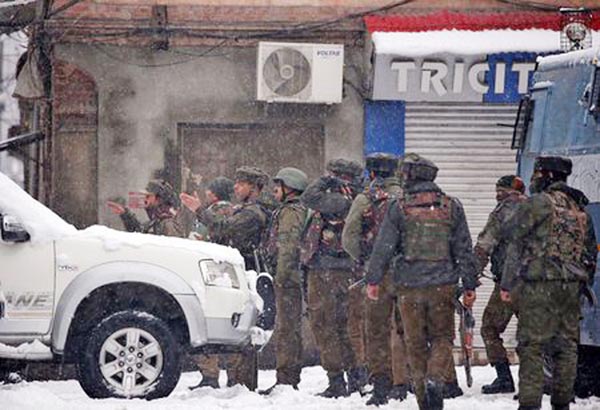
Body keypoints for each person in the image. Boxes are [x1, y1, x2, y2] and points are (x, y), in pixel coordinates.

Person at [366, 153, 478, 410]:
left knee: (413, 342)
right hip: (443, 286)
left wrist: (373, 279)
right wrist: (469, 285)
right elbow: (464, 249)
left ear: (410, 176)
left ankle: (423, 400)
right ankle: (435, 379)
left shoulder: (398, 206)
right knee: (442, 338)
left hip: (408, 287)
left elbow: (383, 247)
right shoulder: (451, 206)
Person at [500, 156, 597, 410]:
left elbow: (512, 234)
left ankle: (530, 404)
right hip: (571, 288)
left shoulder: (540, 204)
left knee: (532, 345)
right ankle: (562, 403)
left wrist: (507, 284)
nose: (534, 179)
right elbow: (590, 255)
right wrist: (581, 283)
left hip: (540, 285)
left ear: (547, 176)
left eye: (537, 173)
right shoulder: (579, 210)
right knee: (566, 346)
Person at [341, 152, 410, 405]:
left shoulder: (366, 198)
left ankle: (381, 383)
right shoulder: (408, 197)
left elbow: (348, 237)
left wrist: (365, 258)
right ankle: (404, 381)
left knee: (377, 328)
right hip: (408, 271)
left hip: (377, 273)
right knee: (404, 328)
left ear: (371, 174)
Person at [301, 158, 365, 398]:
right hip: (343, 270)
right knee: (345, 325)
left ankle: (341, 379)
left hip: (330, 271)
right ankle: (353, 377)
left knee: (327, 324)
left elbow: (308, 197)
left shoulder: (342, 198)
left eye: (333, 174)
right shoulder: (357, 198)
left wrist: (326, 180)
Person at [473, 175, 527, 395]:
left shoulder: (502, 212)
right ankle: (538, 379)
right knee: (533, 333)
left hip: (508, 284)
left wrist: (471, 276)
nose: (496, 196)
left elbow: (484, 245)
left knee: (489, 327)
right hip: (537, 283)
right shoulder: (538, 209)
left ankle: (504, 377)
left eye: (499, 191)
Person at [180, 176, 235, 390]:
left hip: (209, 275)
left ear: (214, 193)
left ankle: (210, 375)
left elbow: (196, 239)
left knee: (204, 326)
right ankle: (234, 376)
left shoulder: (211, 212)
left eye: (209, 190)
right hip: (223, 276)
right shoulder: (232, 210)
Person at [259, 167, 309, 394]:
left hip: (288, 280)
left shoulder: (291, 213)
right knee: (287, 327)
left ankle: (287, 379)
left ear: (288, 188)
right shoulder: (288, 210)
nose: (274, 191)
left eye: (277, 187)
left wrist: (281, 277)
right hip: (287, 277)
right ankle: (286, 376)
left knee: (287, 329)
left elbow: (288, 247)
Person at [107, 179, 183, 237]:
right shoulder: (157, 221)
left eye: (148, 196)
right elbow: (139, 233)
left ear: (159, 199)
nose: (145, 199)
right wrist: (125, 214)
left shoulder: (168, 224)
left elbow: (171, 253)